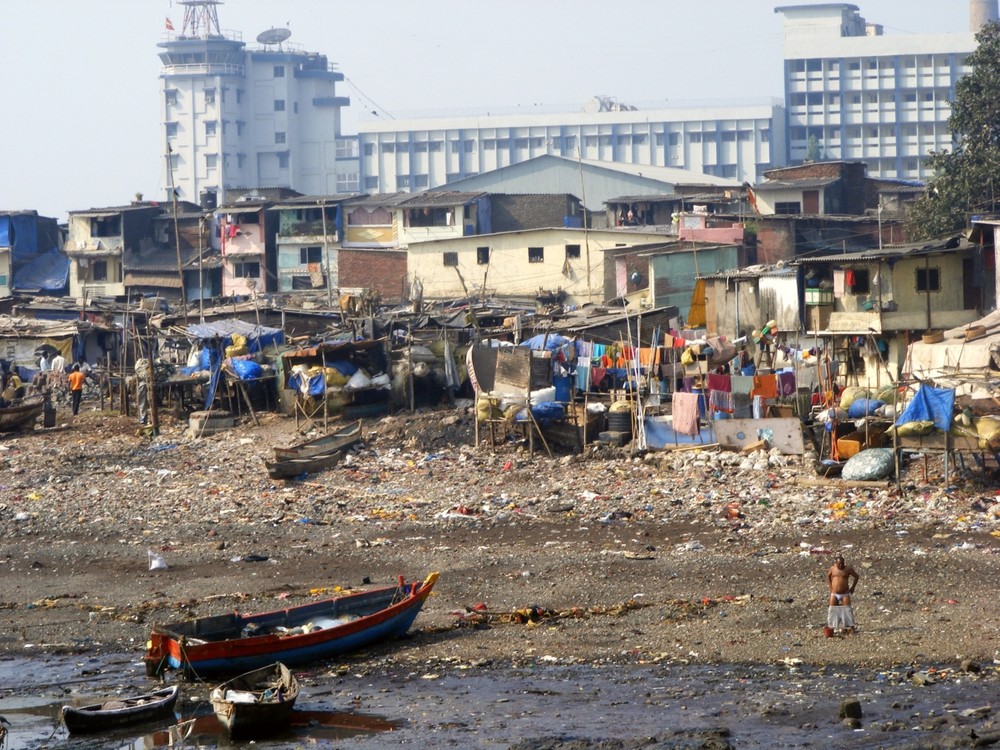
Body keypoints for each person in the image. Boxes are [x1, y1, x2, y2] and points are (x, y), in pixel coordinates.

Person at [827, 554, 860, 634]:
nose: (841, 565)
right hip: (834, 593)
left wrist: (852, 588)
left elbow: (856, 576)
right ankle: (832, 627)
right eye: (839, 564)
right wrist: (831, 587)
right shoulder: (833, 569)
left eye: (842, 563)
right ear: (836, 563)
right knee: (832, 610)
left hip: (844, 593)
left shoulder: (848, 569)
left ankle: (850, 627)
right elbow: (828, 576)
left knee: (847, 610)